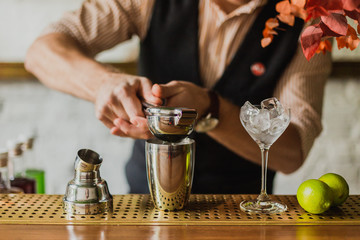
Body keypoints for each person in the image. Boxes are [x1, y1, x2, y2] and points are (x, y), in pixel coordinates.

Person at [25, 0, 332, 194]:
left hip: (238, 211)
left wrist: (209, 108)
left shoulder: (312, 22)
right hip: (145, 201)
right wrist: (103, 82)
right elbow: (42, 52)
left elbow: (292, 150)